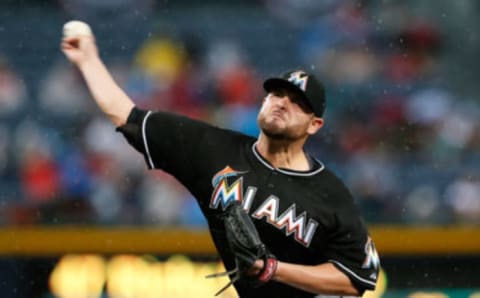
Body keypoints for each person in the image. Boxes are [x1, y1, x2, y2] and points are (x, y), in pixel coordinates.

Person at [61, 31, 380, 297]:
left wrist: (275, 270)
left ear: (315, 125)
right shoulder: (212, 149)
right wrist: (88, 60)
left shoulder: (330, 193)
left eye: (298, 103)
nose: (283, 103)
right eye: (277, 94)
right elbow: (127, 116)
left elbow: (357, 279)